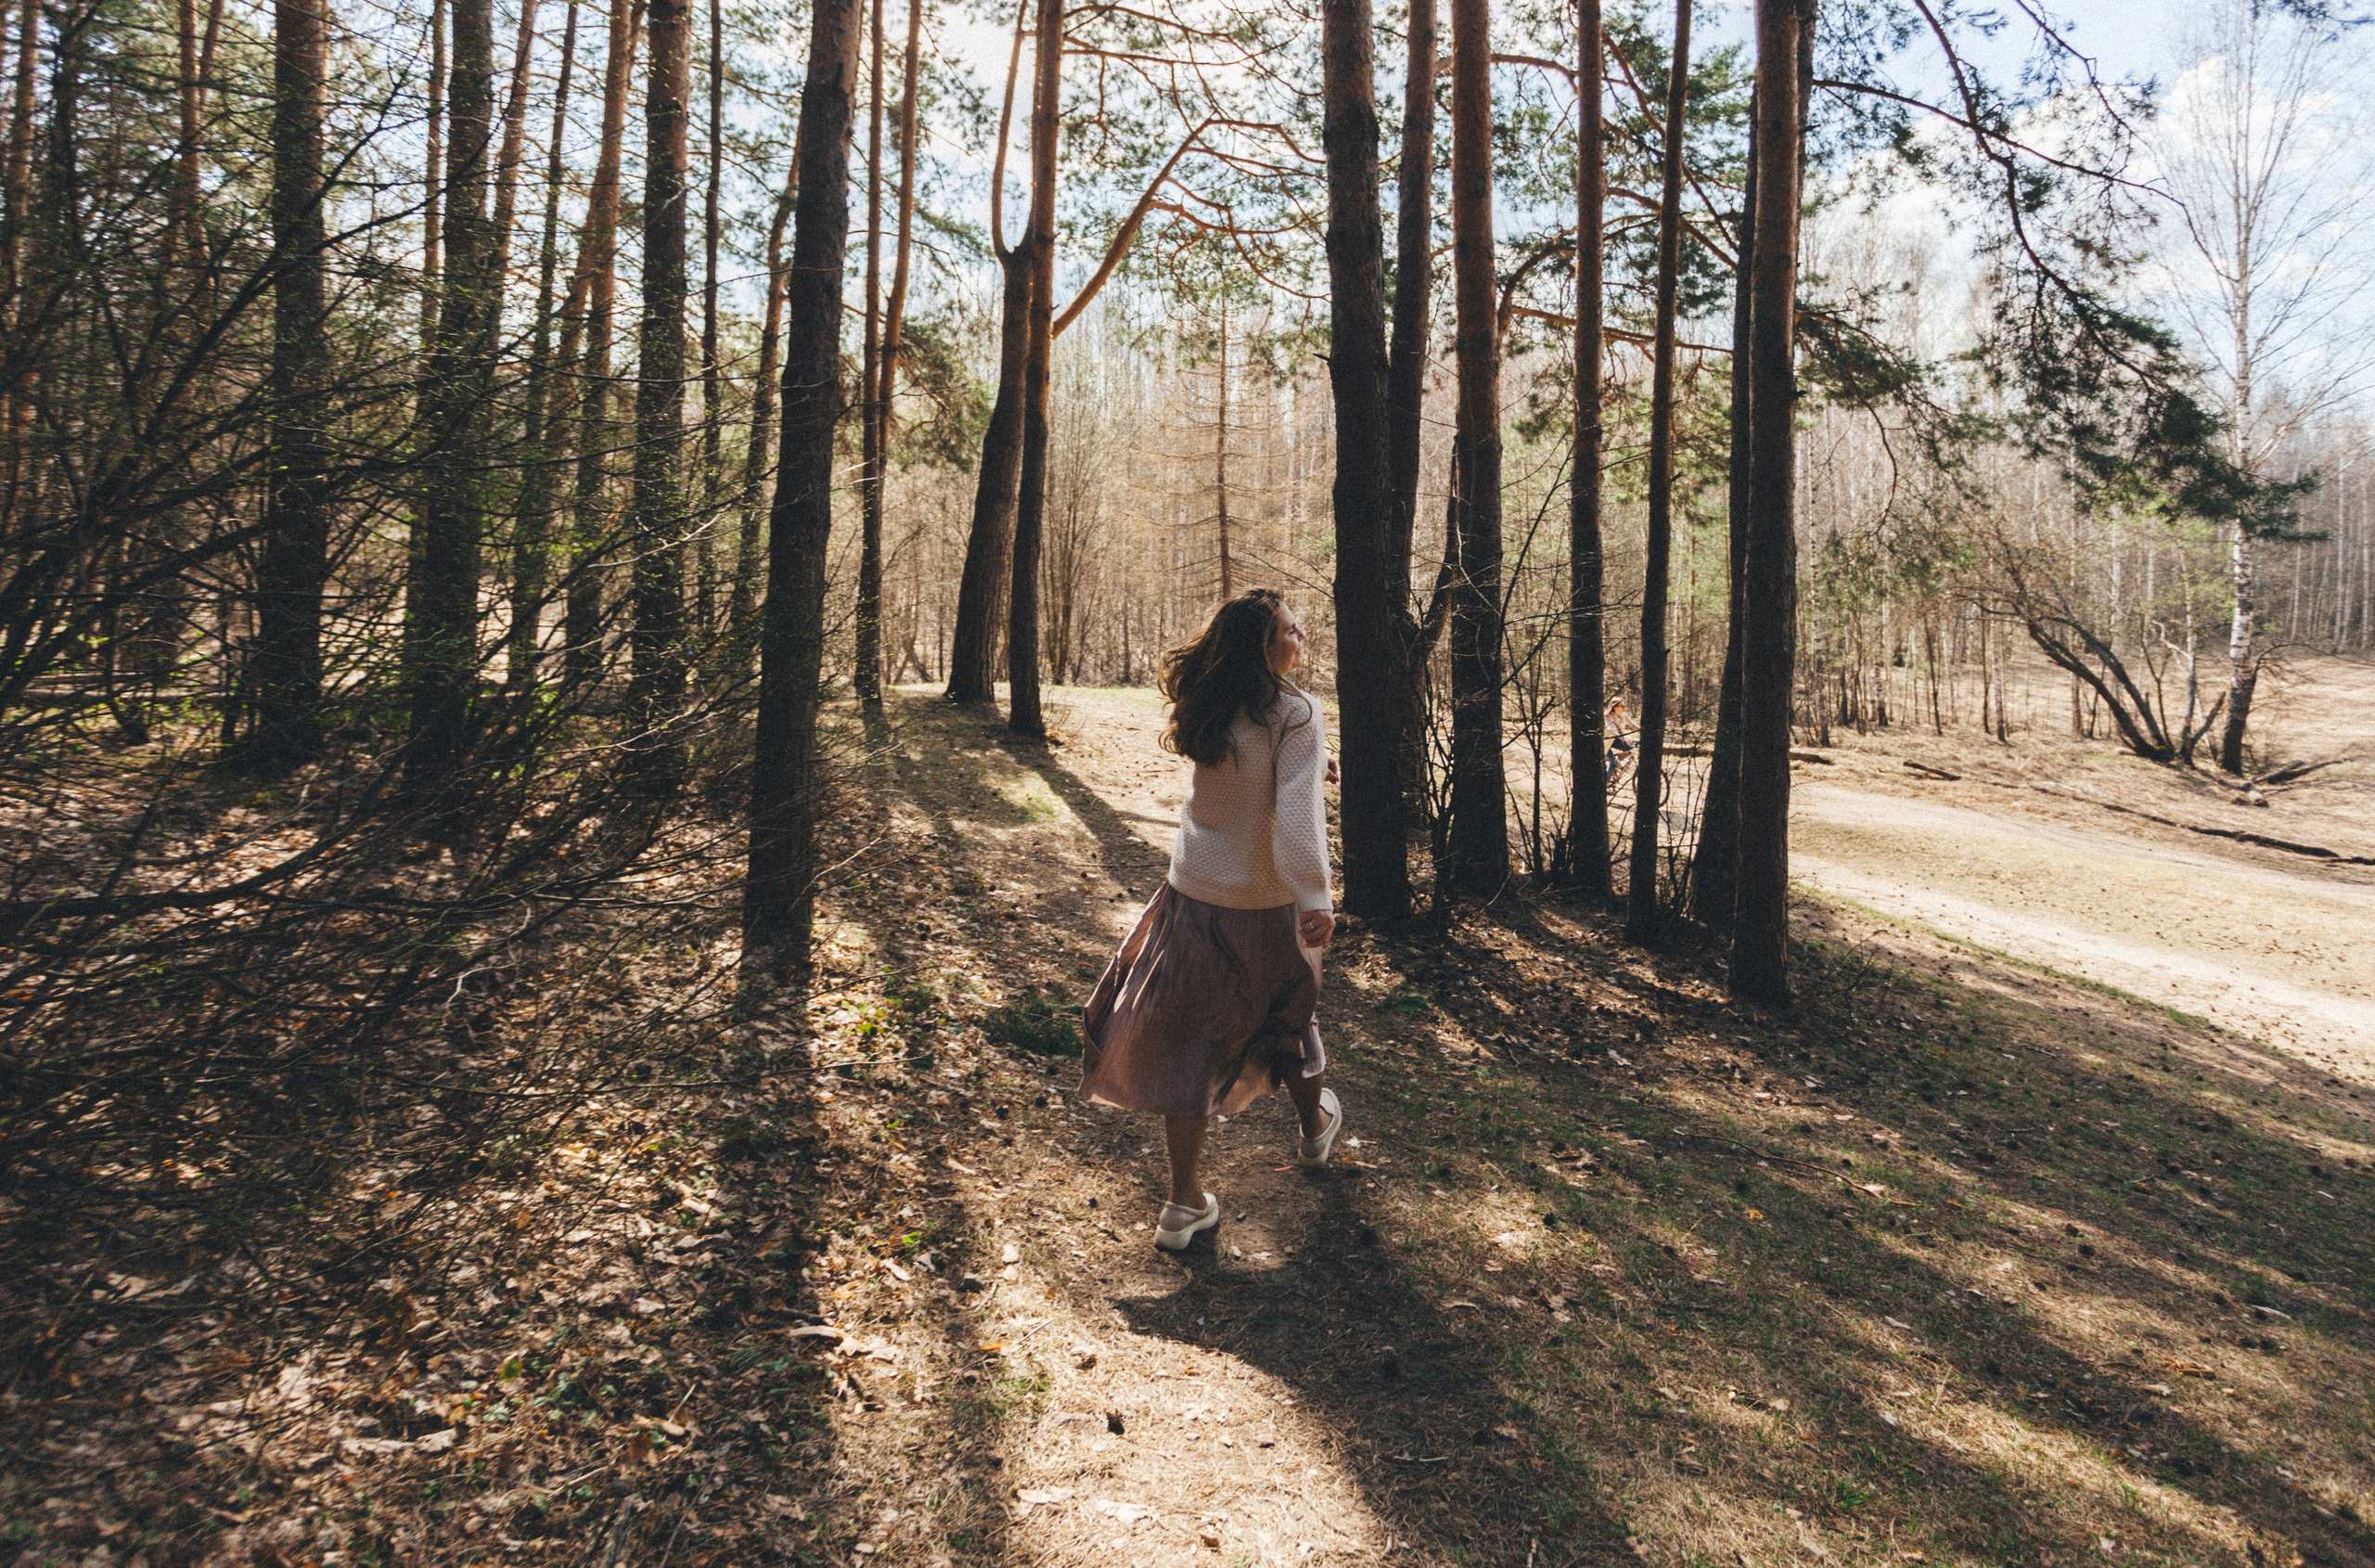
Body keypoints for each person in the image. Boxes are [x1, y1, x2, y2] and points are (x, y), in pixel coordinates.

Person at [1079, 588, 1343, 1252]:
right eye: (1289, 629)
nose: (1301, 636)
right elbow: (1298, 824)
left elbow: (1249, 780)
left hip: (1194, 894)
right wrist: (1316, 897)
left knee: (1190, 1039)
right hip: (1266, 903)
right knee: (1288, 1018)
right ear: (1262, 646)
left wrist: (1312, 770)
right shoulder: (1297, 713)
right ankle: (1315, 1134)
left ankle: (1182, 1204)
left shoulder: (1212, 705)